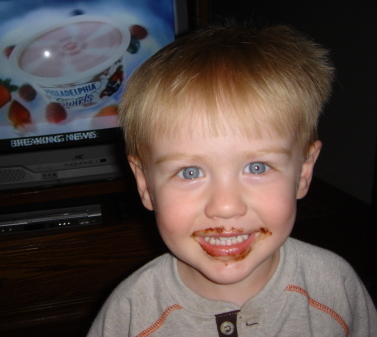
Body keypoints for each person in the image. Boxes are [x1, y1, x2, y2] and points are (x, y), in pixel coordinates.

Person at [87, 23, 377, 336]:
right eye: (190, 172)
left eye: (256, 167)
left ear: (303, 173)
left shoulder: (336, 289)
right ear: (145, 185)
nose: (225, 207)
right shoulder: (129, 315)